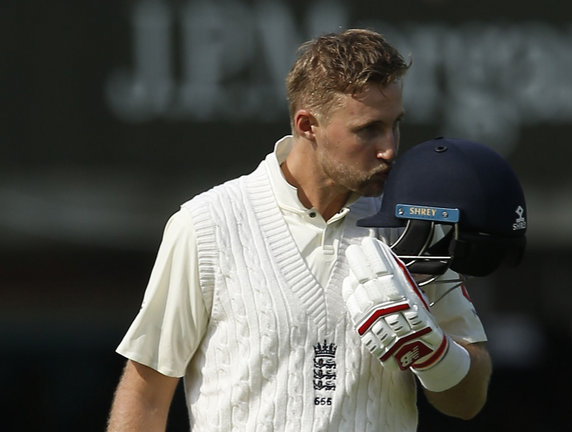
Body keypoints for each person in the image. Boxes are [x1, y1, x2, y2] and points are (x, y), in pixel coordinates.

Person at [106, 28, 491, 431]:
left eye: (395, 124)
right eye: (368, 129)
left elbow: (469, 400)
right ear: (307, 125)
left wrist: (437, 355)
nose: (390, 148)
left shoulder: (417, 227)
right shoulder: (205, 226)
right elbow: (146, 394)